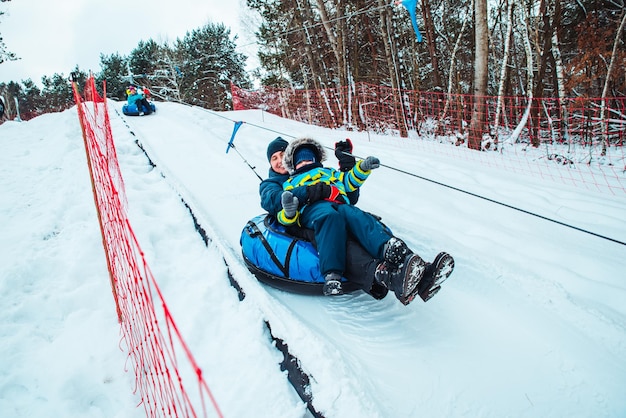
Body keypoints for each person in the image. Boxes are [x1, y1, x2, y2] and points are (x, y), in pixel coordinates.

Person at [276, 136, 454, 305]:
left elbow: (348, 181)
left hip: (340, 203)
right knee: (330, 218)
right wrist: (290, 210)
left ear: (316, 159)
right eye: (301, 161)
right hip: (315, 209)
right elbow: (287, 206)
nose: (306, 163)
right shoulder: (292, 181)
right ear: (294, 165)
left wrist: (362, 168)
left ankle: (396, 253)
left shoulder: (328, 172)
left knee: (359, 217)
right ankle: (332, 274)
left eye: (309, 159)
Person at [260, 137, 388, 300]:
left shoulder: (310, 171)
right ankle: (373, 273)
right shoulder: (271, 183)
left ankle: (390, 255)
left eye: (282, 154)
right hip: (299, 223)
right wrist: (309, 191)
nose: (279, 161)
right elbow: (274, 200)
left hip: (327, 212)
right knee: (334, 234)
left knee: (351, 221)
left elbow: (347, 194)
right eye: (274, 158)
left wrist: (347, 163)